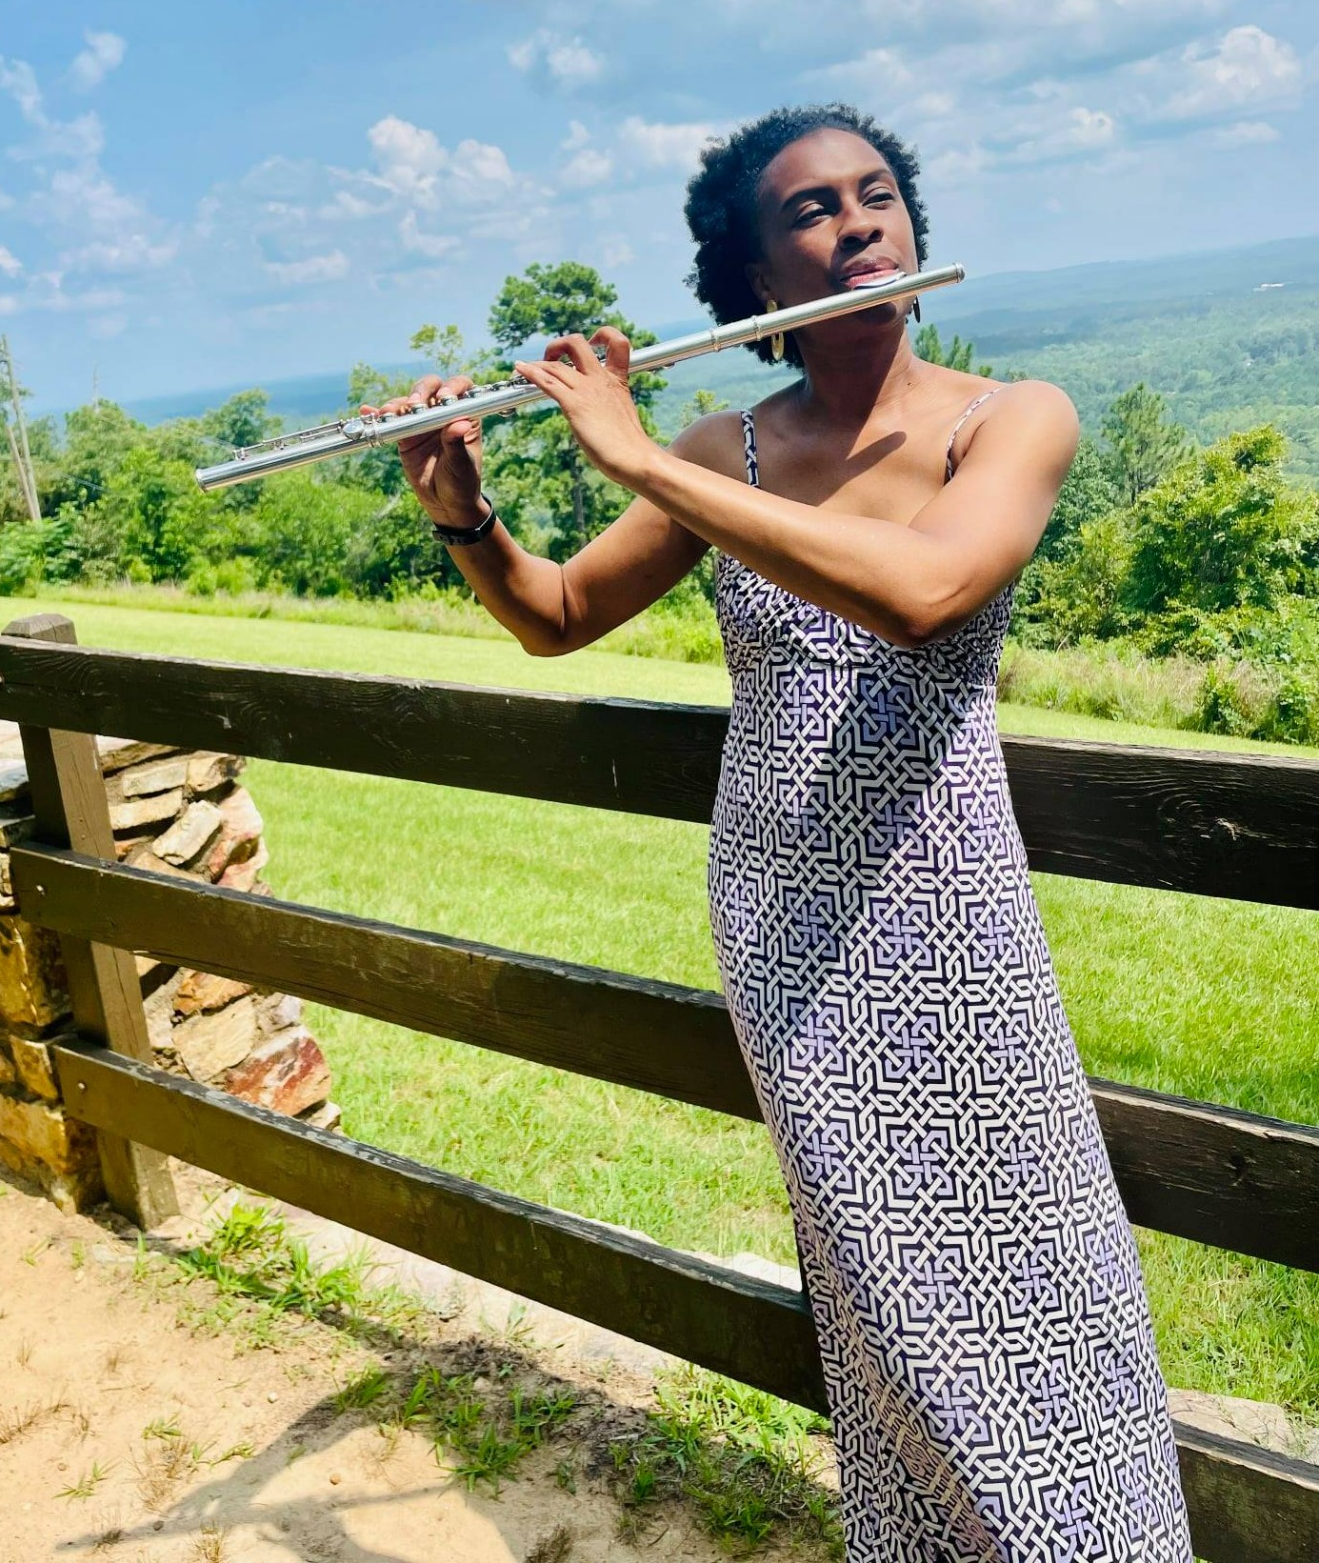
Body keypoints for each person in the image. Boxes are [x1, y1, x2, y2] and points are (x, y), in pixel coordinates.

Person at [374, 102, 1193, 1562]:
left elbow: (925, 593)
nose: (859, 224)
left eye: (877, 196)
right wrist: (465, 517)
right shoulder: (726, 446)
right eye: (811, 212)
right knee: (879, 1293)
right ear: (753, 281)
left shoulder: (1013, 417)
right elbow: (557, 617)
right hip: (783, 925)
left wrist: (637, 460)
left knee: (1041, 1276)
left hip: (954, 918)